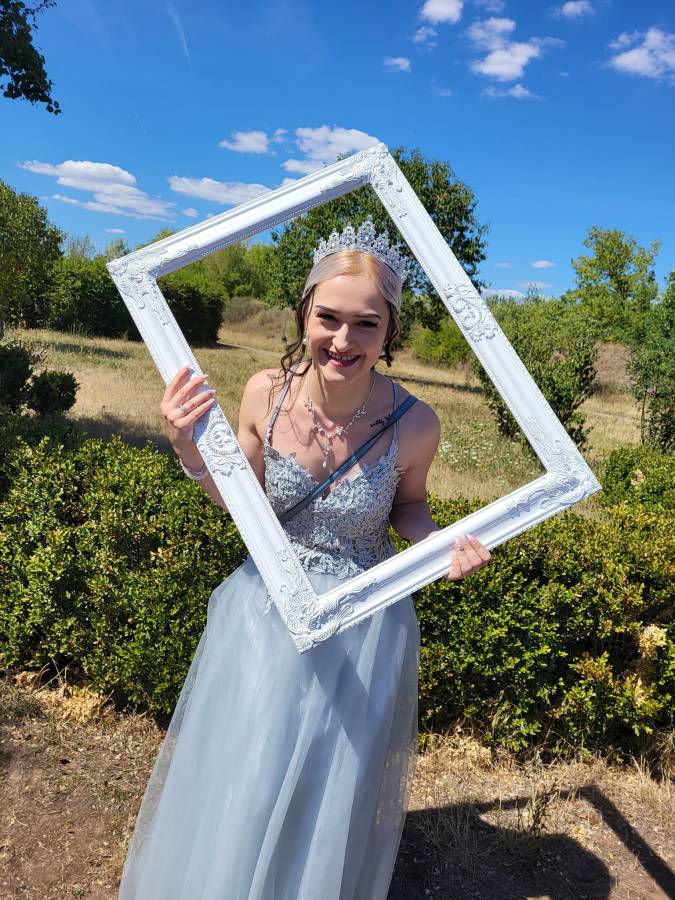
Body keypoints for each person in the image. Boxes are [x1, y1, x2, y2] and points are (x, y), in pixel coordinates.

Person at [117, 220, 491, 900]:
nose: (343, 340)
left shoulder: (417, 423)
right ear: (304, 313)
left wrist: (441, 546)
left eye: (366, 324)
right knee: (247, 768)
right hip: (264, 611)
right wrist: (187, 447)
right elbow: (243, 501)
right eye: (329, 318)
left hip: (362, 625)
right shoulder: (264, 391)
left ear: (390, 330)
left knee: (327, 779)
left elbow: (408, 506)